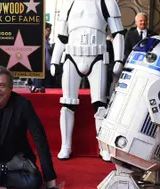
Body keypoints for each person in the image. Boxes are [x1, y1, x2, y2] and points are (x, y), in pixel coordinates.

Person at [50, 0, 125, 161]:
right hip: (72, 56)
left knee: (100, 106)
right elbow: (62, 37)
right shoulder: (68, 4)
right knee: (67, 104)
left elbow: (118, 33)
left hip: (97, 57)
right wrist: (55, 60)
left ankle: (103, 147)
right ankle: (66, 146)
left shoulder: (106, 2)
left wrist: (119, 59)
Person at [31, 22, 54, 93]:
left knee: (47, 89)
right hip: (39, 68)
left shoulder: (48, 42)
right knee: (38, 88)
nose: (49, 32)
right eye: (48, 29)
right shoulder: (37, 40)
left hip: (48, 68)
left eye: (50, 30)